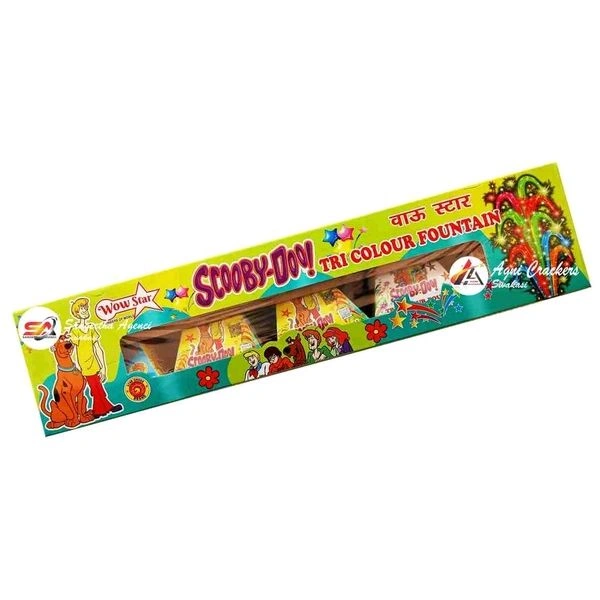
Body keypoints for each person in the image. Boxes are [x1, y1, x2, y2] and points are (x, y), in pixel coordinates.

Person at [69, 297, 122, 418]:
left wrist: (103, 368)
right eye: (82, 309)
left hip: (94, 363)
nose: (85, 311)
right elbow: (73, 350)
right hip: (84, 366)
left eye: (86, 308)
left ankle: (100, 410)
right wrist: (76, 367)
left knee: (98, 387)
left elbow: (98, 348)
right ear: (77, 313)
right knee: (95, 388)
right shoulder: (75, 331)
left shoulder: (91, 328)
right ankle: (101, 409)